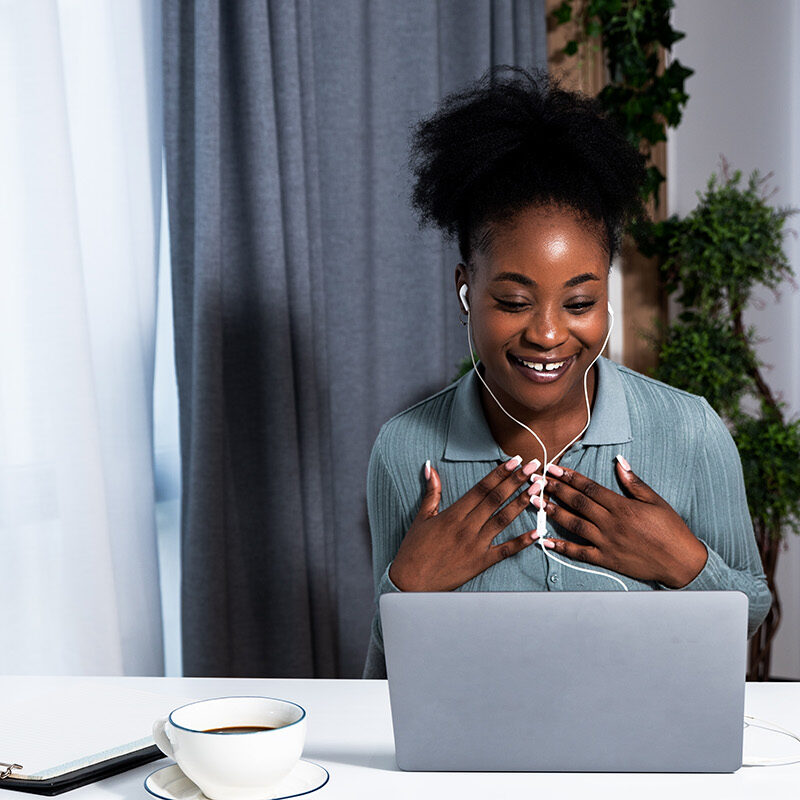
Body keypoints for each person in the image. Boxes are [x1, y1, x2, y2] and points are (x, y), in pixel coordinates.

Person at [362, 67, 771, 679]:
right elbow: (389, 687)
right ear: (465, 289)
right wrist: (407, 587)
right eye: (513, 301)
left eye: (578, 303)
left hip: (643, 764)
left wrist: (682, 561)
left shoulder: (690, 432)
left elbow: (749, 611)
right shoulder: (405, 450)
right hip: (472, 772)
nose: (549, 334)